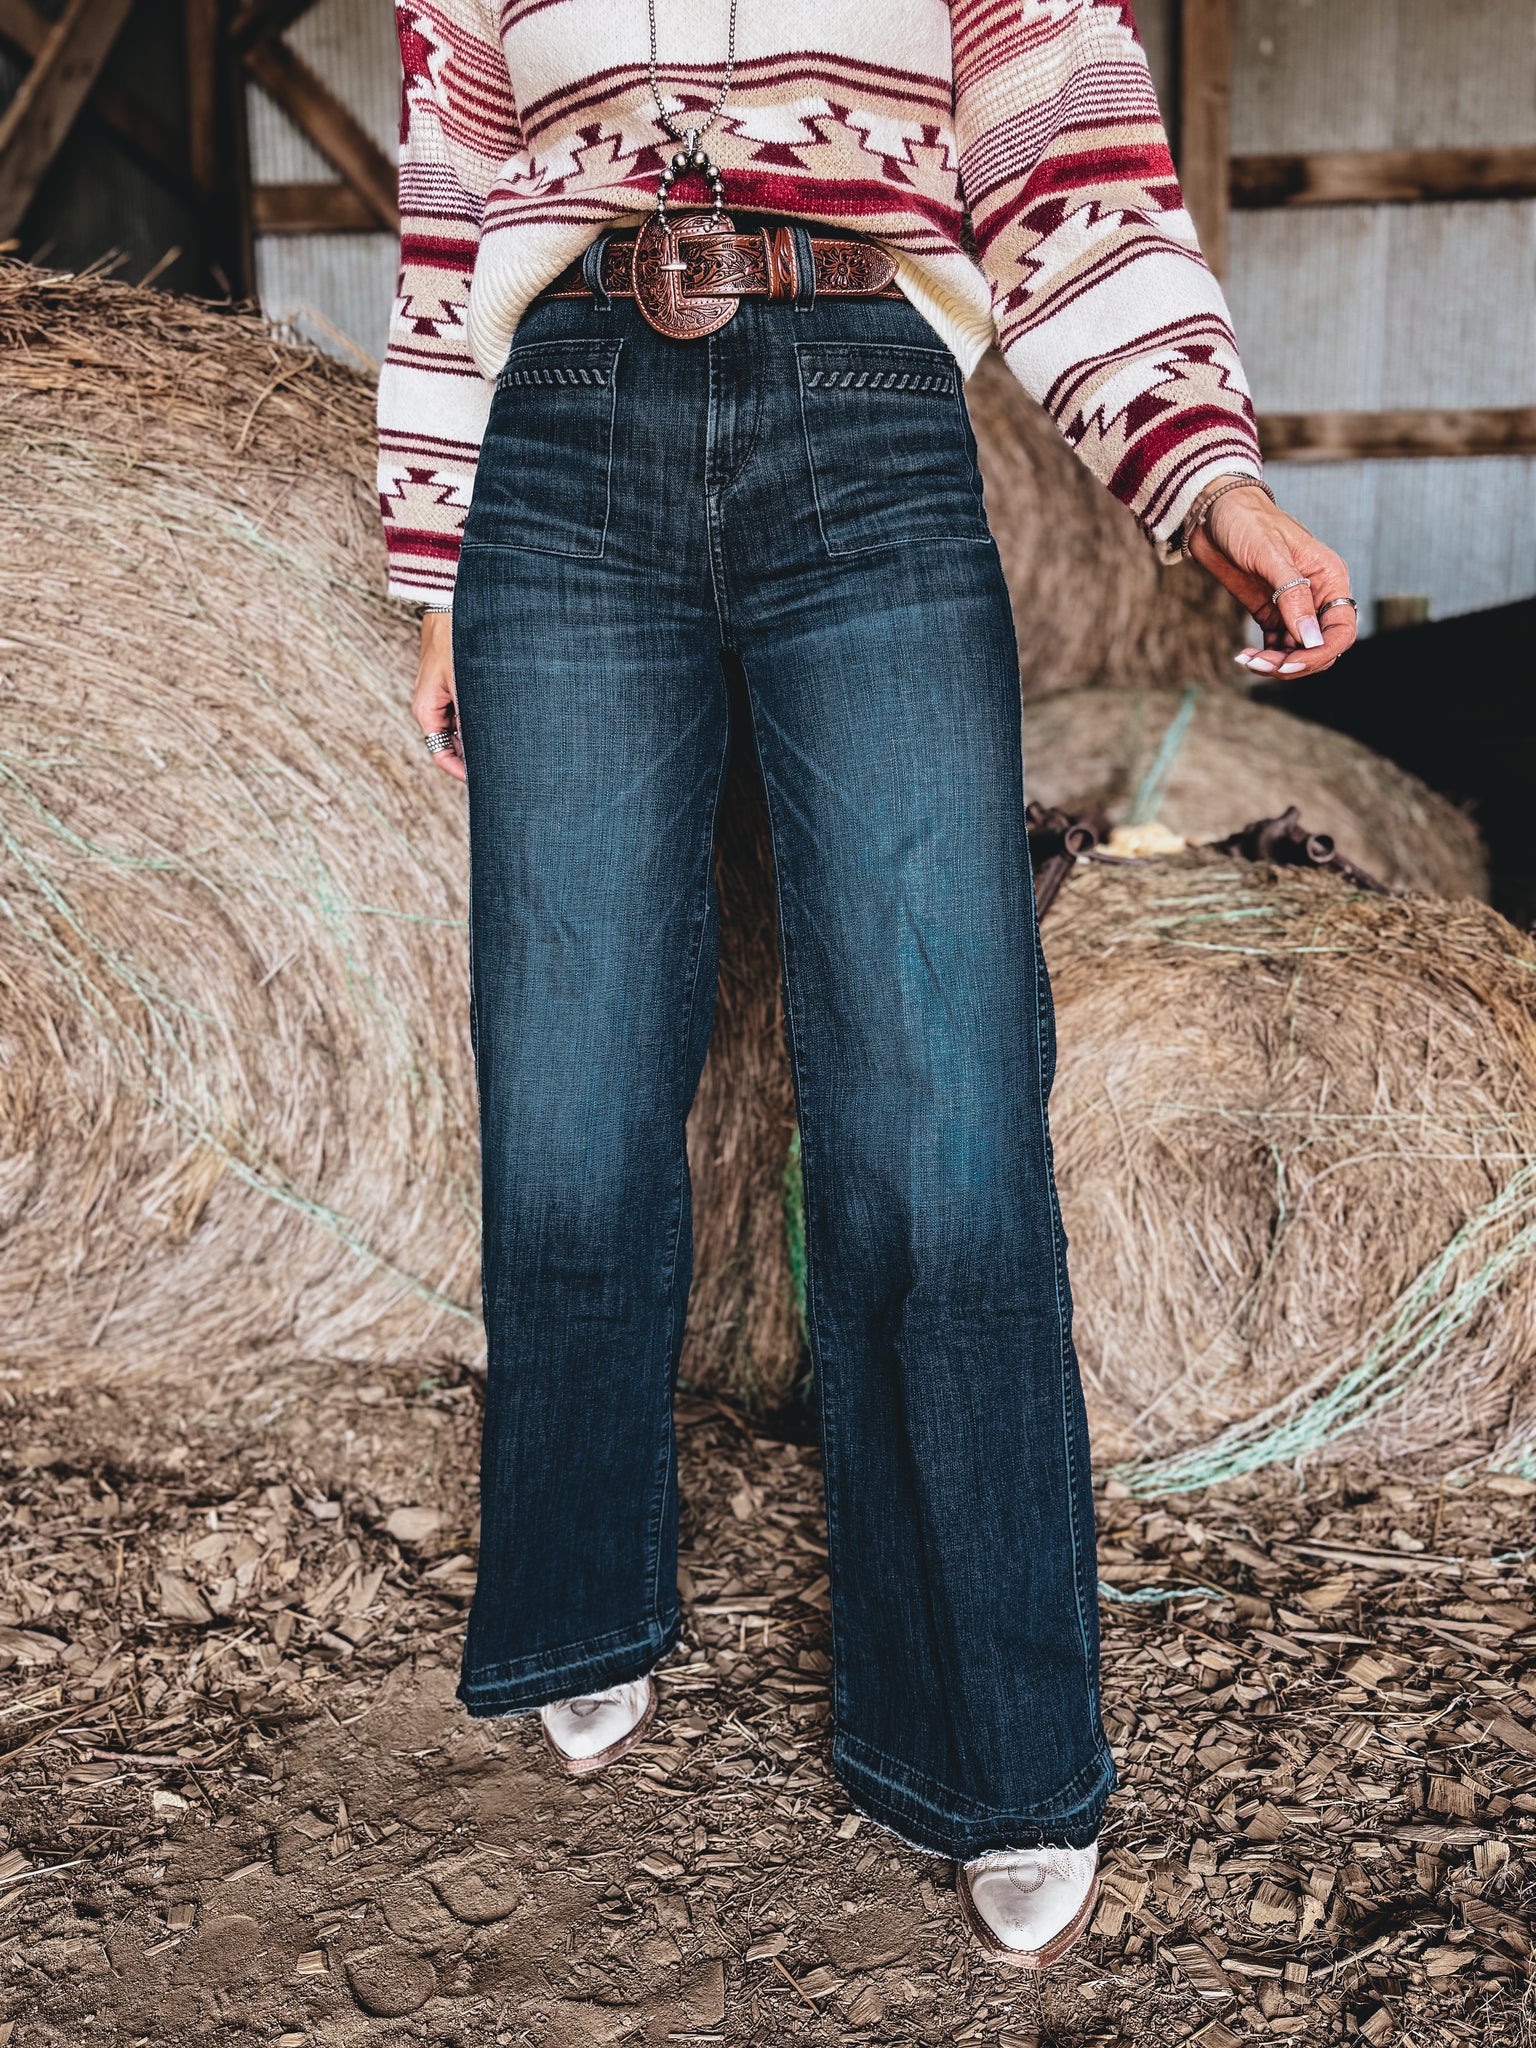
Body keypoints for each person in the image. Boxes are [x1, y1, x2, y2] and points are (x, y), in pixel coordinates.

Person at [377, 0, 1356, 1970]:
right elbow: (451, 189)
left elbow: (1069, 163)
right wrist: (429, 557)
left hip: (864, 413)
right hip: (562, 441)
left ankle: (993, 1741)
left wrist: (1207, 479)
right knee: (567, 1058)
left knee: (938, 1089)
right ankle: (581, 1596)